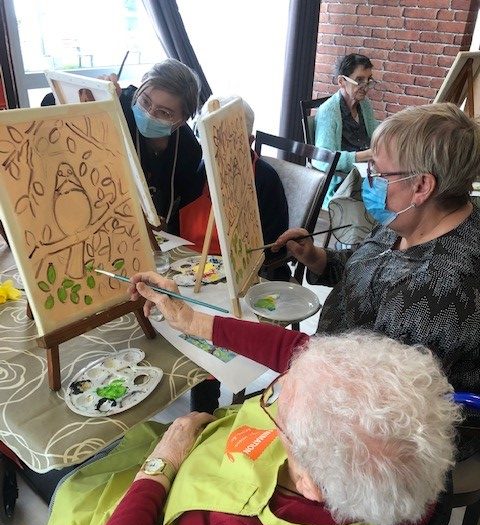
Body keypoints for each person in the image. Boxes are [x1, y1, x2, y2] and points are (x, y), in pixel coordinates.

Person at [21, 328, 458, 525]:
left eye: (280, 417)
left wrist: (160, 465)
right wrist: (199, 322)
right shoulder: (411, 455)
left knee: (73, 492)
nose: (272, 406)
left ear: (310, 484)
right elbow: (314, 362)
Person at [133, 102, 480, 459]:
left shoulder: (438, 286)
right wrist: (316, 257)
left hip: (377, 437)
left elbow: (366, 399)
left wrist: (199, 324)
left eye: (378, 172)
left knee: (209, 453)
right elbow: (369, 266)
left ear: (422, 185)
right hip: (341, 372)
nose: (368, 181)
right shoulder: (415, 219)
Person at [181, 95, 290, 413]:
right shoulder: (197, 170)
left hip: (245, 279)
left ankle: (204, 412)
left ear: (249, 141)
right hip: (192, 270)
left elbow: (273, 249)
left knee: (212, 334)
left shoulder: (265, 180)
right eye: (207, 138)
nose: (214, 150)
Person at [106, 59, 203, 227]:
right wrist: (93, 98)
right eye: (145, 101)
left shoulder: (189, 150)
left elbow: (178, 207)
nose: (149, 114)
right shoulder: (117, 104)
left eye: (164, 112)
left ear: (182, 120)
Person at [313, 53, 379, 206]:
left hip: (364, 175)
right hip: (340, 185)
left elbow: (375, 135)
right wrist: (366, 155)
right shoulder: (329, 112)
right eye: (359, 80)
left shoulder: (365, 105)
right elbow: (322, 160)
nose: (365, 87)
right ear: (341, 81)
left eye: (368, 80)